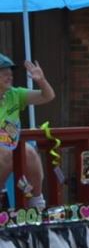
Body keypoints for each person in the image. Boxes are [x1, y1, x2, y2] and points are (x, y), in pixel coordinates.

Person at [0, 57, 53, 209]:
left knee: (29, 152)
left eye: (10, 72)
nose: (9, 75)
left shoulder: (15, 94)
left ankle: (36, 203)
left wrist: (41, 80)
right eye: (3, 72)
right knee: (6, 151)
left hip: (8, 149)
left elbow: (47, 96)